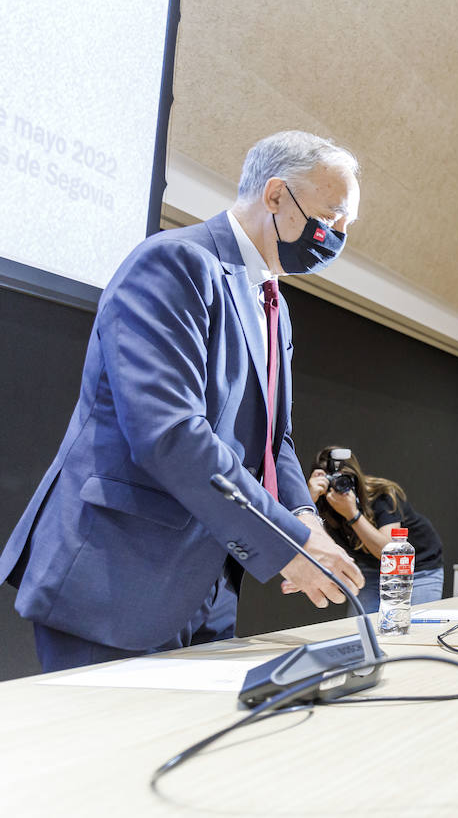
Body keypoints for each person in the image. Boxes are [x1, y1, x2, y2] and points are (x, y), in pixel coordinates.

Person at [0, 130, 366, 672]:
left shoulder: (273, 304)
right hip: (119, 577)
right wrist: (289, 544)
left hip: (209, 582)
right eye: (331, 217)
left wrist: (303, 518)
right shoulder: (174, 263)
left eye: (345, 227)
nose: (335, 236)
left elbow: (273, 440)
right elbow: (170, 434)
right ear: (275, 196)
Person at [310, 446, 445, 611]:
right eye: (333, 480)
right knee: (360, 628)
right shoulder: (322, 503)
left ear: (356, 477)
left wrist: (352, 514)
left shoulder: (381, 494)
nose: (340, 485)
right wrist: (309, 501)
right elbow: (309, 544)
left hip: (418, 569)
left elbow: (388, 551)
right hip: (372, 569)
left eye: (346, 479)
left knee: (413, 627)